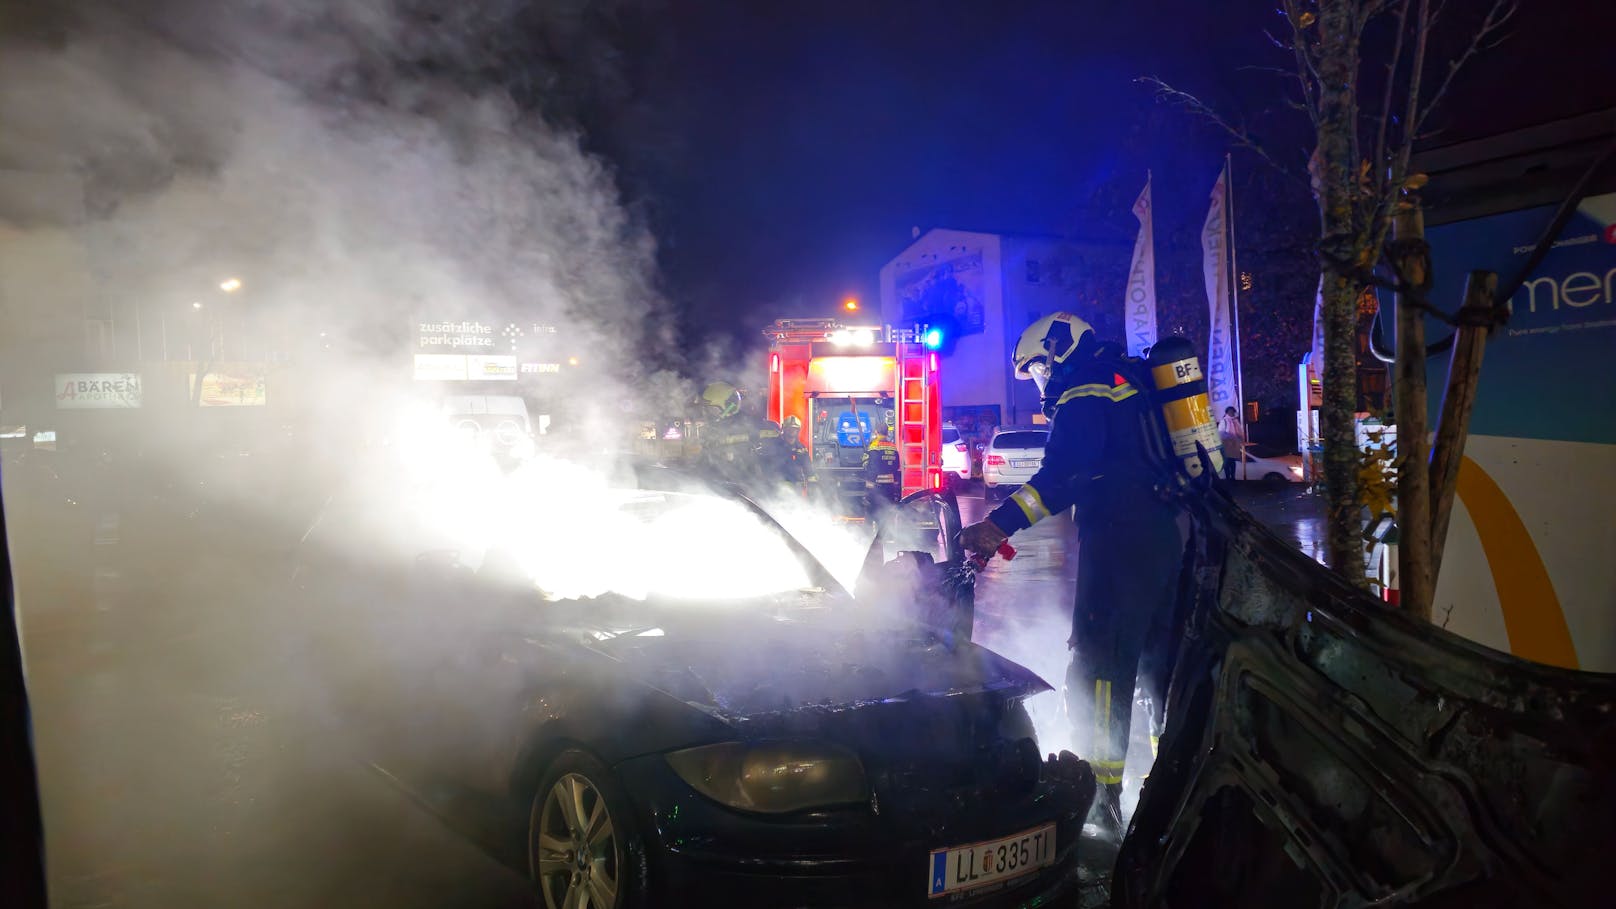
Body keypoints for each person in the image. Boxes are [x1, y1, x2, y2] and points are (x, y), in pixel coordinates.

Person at [959, 313, 1184, 840]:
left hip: (1119, 541)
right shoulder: (1127, 381)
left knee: (1100, 662)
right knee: (1158, 666)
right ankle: (1169, 782)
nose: (1039, 381)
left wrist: (997, 525)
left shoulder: (1086, 389)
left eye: (1037, 367)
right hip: (1164, 537)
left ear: (1059, 350)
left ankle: (1102, 798)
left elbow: (1061, 476)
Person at [862, 430, 901, 511]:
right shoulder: (893, 447)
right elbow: (897, 465)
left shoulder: (874, 446)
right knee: (888, 510)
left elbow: (871, 466)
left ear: (876, 432)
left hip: (876, 486)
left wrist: (869, 481)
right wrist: (896, 483)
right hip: (890, 486)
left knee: (873, 511)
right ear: (887, 433)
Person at [1219, 405, 1244, 481]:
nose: (1232, 413)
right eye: (1230, 411)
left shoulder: (1235, 421)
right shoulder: (1224, 421)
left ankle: (1233, 478)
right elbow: (1221, 433)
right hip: (1226, 444)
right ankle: (1228, 478)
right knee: (1227, 461)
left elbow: (1240, 432)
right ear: (1227, 412)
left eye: (1233, 411)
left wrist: (1240, 439)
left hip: (1234, 444)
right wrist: (1231, 437)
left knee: (1233, 462)